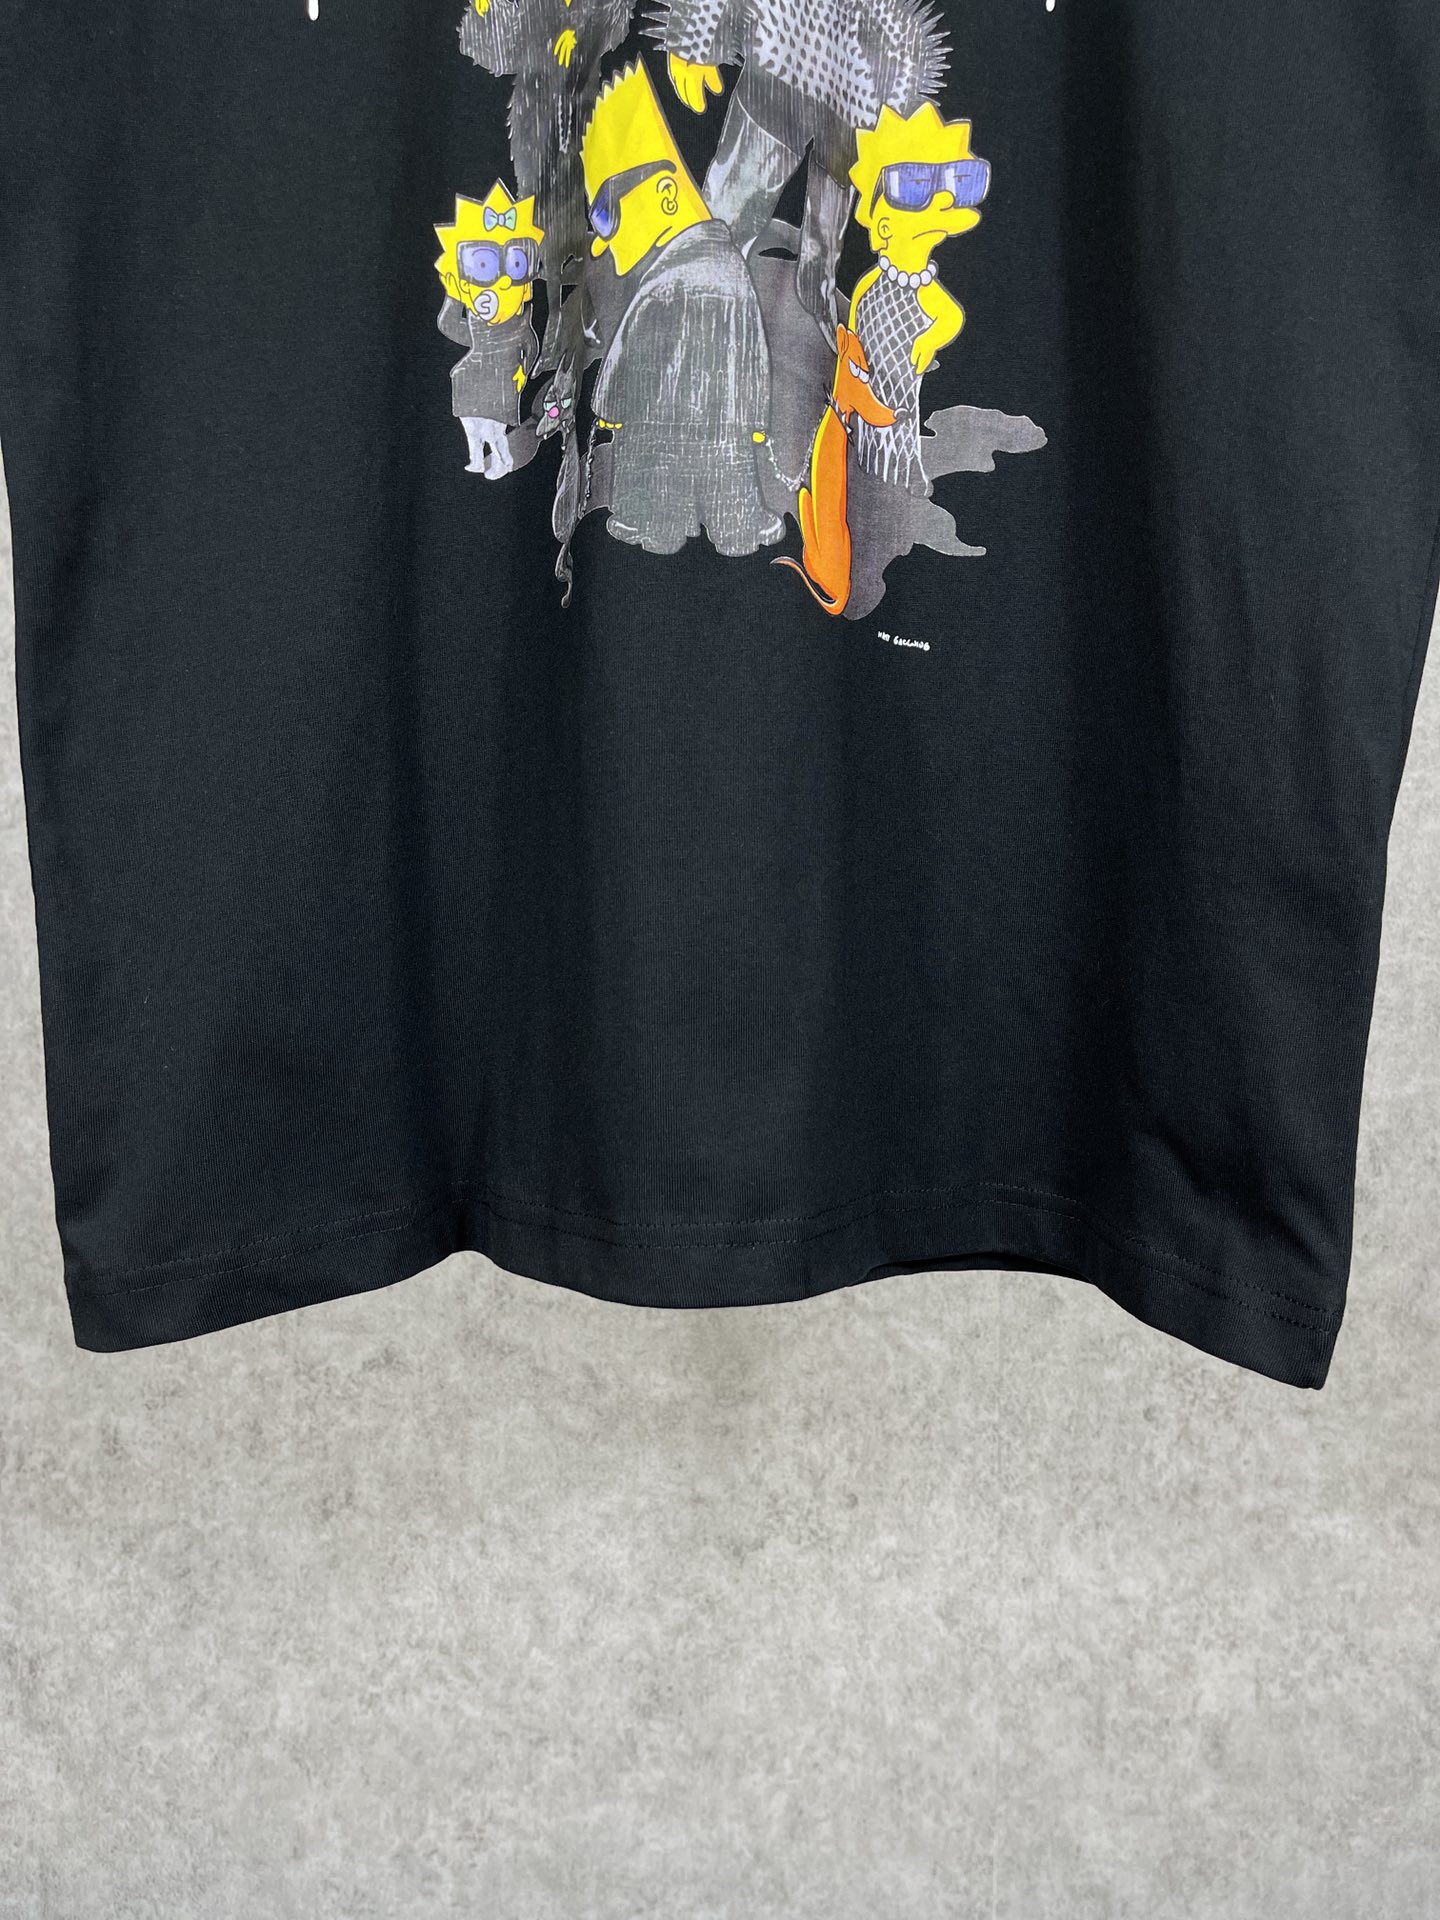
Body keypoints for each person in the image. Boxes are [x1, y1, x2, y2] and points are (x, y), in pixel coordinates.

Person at [581, 62, 785, 557]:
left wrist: (609, 407)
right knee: (729, 477)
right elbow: (754, 352)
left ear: (667, 195)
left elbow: (627, 357)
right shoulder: (733, 272)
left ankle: (656, 529)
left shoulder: (662, 284)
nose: (603, 241)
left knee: (657, 484)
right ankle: (737, 531)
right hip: (725, 423)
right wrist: (756, 413)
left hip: (661, 421)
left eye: (608, 214)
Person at [434, 185, 543, 477]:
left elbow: (531, 347)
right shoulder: (477, 320)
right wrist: (453, 295)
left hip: (501, 382)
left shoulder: (519, 324)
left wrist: (522, 373)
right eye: (483, 265)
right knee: (470, 425)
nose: (502, 281)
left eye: (515, 264)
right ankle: (476, 459)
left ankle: (503, 461)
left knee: (494, 431)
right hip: (472, 375)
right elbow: (449, 326)